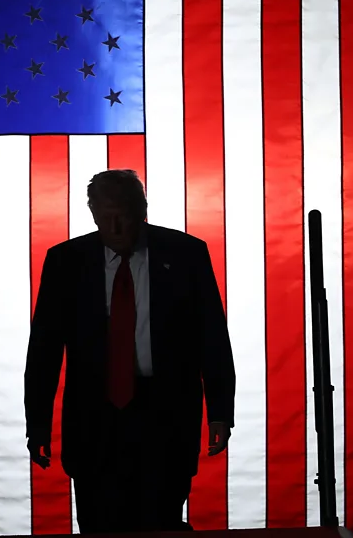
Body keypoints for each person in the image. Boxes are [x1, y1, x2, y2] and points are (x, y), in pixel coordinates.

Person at [25, 169, 236, 533]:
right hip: (94, 419)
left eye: (123, 215)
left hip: (165, 415)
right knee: (99, 522)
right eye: (106, 218)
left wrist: (220, 411)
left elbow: (212, 337)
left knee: (161, 521)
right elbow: (44, 349)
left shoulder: (186, 254)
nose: (116, 227)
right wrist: (38, 423)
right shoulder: (66, 261)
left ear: (143, 211)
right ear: (92, 214)